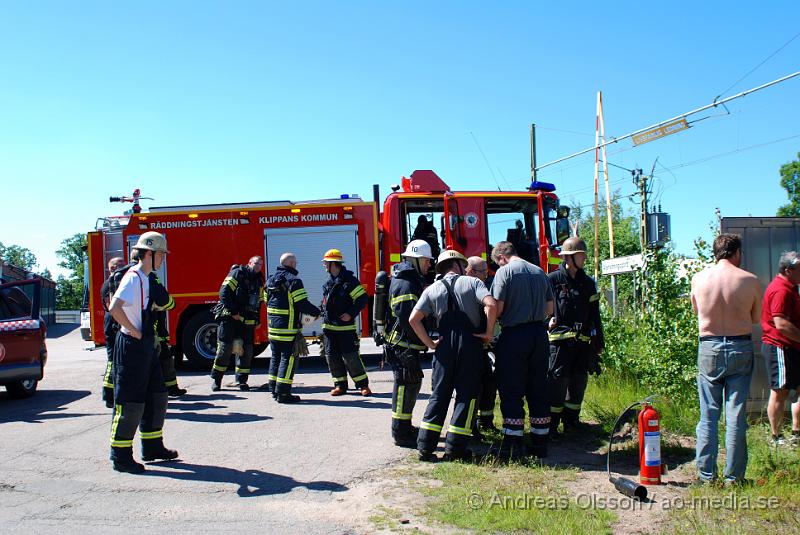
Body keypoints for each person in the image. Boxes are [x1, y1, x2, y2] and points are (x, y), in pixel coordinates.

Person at [410, 250, 497, 462]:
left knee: (439, 395)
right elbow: (491, 304)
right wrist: (488, 333)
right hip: (470, 346)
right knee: (466, 397)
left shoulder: (432, 289)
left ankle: (425, 447)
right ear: (459, 264)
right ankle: (455, 449)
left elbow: (414, 319)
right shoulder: (473, 283)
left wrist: (430, 343)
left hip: (444, 347)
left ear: (441, 267)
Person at [691, 233, 760, 483]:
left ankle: (706, 475)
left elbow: (696, 311)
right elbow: (755, 319)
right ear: (737, 252)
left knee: (708, 414)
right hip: (740, 344)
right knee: (736, 414)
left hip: (709, 345)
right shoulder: (750, 280)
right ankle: (734, 478)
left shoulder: (699, 279)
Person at [107, 231, 178, 473]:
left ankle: (152, 446)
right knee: (130, 403)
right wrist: (134, 332)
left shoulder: (147, 278)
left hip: (146, 345)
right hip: (132, 347)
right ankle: (121, 457)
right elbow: (114, 308)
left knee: (157, 395)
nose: (164, 259)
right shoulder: (134, 277)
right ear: (149, 253)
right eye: (161, 254)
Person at [491, 240, 554, 459]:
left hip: (514, 336)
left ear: (501, 257)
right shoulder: (539, 271)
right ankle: (539, 443)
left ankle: (513, 443)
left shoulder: (504, 273)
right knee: (538, 388)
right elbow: (549, 308)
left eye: (497, 263)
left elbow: (497, 308)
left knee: (512, 388)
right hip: (539, 335)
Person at [546, 237, 604, 438]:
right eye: (582, 255)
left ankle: (572, 421)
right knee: (557, 384)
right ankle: (551, 426)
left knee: (579, 382)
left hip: (582, 344)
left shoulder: (588, 283)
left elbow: (595, 315)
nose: (585, 258)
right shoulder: (552, 280)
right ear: (570, 257)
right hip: (559, 345)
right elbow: (542, 307)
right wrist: (547, 322)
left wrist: (599, 344)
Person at [385, 239, 434, 447]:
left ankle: (404, 426)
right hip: (403, 346)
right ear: (415, 259)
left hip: (405, 345)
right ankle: (401, 433)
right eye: (426, 260)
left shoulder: (407, 279)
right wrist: (428, 341)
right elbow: (408, 318)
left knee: (410, 386)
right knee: (405, 388)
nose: (429, 264)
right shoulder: (405, 283)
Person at [265, 253, 321, 403]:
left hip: (273, 328)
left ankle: (273, 389)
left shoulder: (270, 279)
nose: (296, 264)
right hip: (288, 328)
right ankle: (283, 393)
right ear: (290, 263)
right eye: (295, 262)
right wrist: (317, 312)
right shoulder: (294, 281)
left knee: (275, 357)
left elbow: (265, 300)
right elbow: (302, 303)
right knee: (288, 359)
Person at [760, 250, 800, 447]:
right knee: (780, 391)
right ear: (788, 270)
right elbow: (781, 324)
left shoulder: (792, 287)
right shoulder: (781, 290)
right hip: (780, 347)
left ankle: (796, 432)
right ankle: (776, 437)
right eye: (799, 269)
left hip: (793, 346)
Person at [210, 256, 265, 392]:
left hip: (248, 319)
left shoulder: (259, 279)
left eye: (260, 264)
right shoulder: (238, 273)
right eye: (256, 263)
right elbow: (224, 292)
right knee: (225, 349)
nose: (258, 266)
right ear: (249, 263)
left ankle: (241, 381)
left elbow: (260, 301)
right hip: (230, 317)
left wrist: (257, 319)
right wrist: (233, 311)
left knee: (246, 351)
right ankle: (217, 380)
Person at [320, 249, 371, 396]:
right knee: (332, 358)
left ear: (333, 264)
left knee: (351, 357)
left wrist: (350, 313)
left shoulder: (349, 282)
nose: (324, 266)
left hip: (345, 329)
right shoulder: (329, 282)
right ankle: (340, 385)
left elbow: (362, 299)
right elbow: (326, 303)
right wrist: (319, 312)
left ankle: (362, 385)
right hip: (329, 328)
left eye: (326, 263)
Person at [465, 256, 498, 435]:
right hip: (471, 346)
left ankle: (486, 420)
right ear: (469, 270)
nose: (486, 276)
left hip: (485, 344)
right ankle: (473, 426)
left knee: (489, 383)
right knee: (473, 388)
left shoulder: (483, 287)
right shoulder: (464, 288)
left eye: (486, 272)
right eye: (482, 272)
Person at [150, 273, 186, 397]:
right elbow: (167, 301)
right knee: (158, 362)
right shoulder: (148, 277)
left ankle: (171, 388)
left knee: (166, 359)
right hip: (152, 330)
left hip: (158, 327)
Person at [100, 256, 126, 408]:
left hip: (113, 322)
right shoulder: (109, 285)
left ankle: (111, 396)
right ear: (112, 268)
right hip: (113, 323)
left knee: (115, 361)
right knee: (113, 361)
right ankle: (110, 396)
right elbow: (112, 307)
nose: (124, 268)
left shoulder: (114, 283)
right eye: (120, 265)